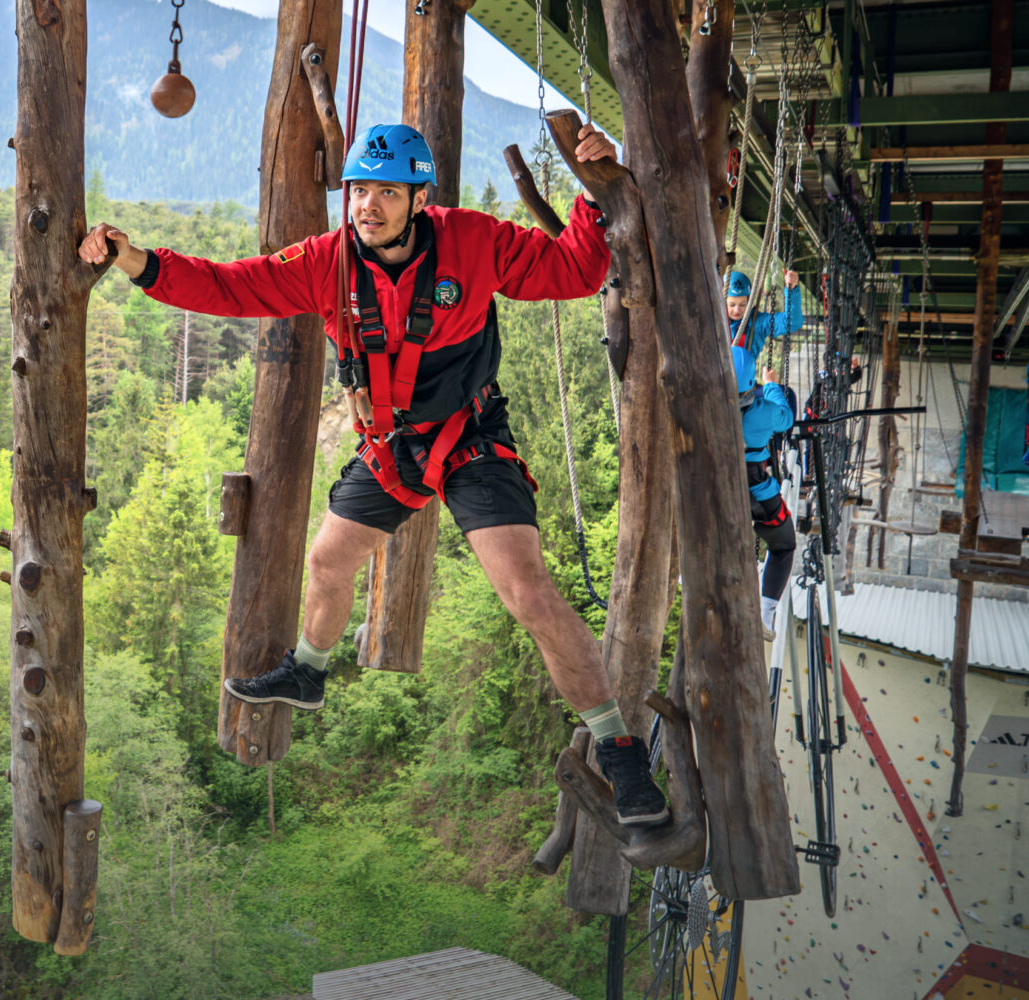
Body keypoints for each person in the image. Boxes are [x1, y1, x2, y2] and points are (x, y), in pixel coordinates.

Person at [79, 121, 668, 827]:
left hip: (471, 438)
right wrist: (135, 259)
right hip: (391, 445)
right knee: (327, 562)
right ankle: (308, 670)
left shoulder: (473, 242)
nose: (368, 205)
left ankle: (620, 751)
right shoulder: (326, 263)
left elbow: (571, 273)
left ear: (420, 199)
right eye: (360, 190)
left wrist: (593, 192)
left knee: (529, 594)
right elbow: (230, 288)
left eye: (387, 192)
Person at [724, 268, 802, 639]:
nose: (737, 311)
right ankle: (766, 613)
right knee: (784, 545)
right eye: (732, 305)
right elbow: (785, 419)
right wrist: (770, 387)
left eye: (742, 305)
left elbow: (790, 322)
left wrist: (792, 291)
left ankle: (686, 571)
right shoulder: (762, 413)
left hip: (716, 487)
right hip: (756, 489)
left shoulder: (706, 412)